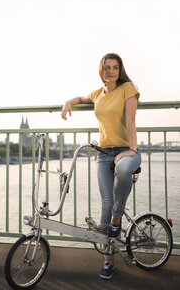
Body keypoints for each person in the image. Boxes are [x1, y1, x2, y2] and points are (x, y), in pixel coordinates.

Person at [61, 53, 141, 280]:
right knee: (106, 202)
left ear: (120, 70)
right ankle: (108, 260)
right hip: (104, 155)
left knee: (124, 170)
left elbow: (131, 121)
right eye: (107, 67)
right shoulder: (98, 93)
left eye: (115, 67)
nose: (111, 71)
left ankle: (117, 219)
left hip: (127, 151)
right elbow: (82, 98)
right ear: (101, 70)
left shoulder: (128, 88)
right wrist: (69, 102)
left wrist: (131, 151)